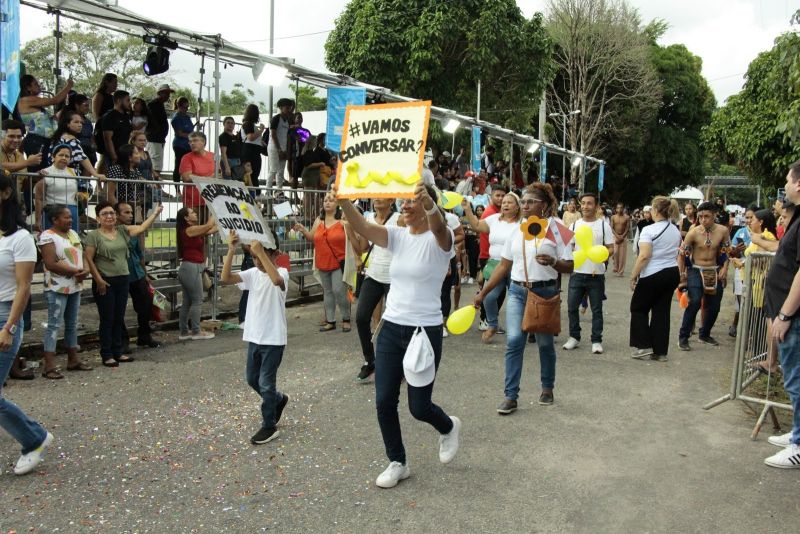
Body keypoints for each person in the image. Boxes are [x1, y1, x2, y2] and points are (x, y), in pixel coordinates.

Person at [337, 181, 461, 489]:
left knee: (419, 407)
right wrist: (343, 200)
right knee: (383, 401)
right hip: (392, 327)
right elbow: (363, 227)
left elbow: (440, 227)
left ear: (427, 206)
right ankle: (397, 461)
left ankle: (448, 427)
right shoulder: (397, 235)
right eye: (403, 201)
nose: (404, 206)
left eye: (411, 201)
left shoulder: (440, 241)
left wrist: (429, 203)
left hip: (424, 331)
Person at [475, 183, 574, 414]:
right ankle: (510, 396)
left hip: (545, 293)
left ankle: (547, 388)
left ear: (545, 205)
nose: (525, 206)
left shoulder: (557, 228)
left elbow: (570, 265)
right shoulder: (517, 229)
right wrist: (483, 292)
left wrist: (554, 263)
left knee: (545, 344)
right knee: (514, 341)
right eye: (523, 201)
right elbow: (504, 265)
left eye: (531, 202)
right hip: (518, 292)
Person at [0, 173, 55, 474]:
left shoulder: (20, 238)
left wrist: (8, 327)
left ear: (5, 193)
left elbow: (23, 287)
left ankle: (34, 438)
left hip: (6, 313)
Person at [221, 230, 290, 444]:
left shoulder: (282, 272)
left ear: (275, 254)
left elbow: (277, 279)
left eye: (261, 255)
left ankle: (269, 425)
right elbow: (225, 278)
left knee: (266, 383)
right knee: (252, 379)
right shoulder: (253, 273)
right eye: (253, 256)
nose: (257, 261)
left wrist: (262, 254)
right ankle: (278, 400)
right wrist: (231, 250)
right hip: (254, 337)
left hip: (273, 339)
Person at [84, 201, 162, 366]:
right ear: (98, 217)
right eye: (105, 214)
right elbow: (89, 258)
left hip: (123, 278)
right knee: (108, 318)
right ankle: (107, 353)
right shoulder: (94, 235)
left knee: (119, 317)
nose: (110, 216)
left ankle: (118, 351)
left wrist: (155, 214)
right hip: (105, 280)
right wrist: (98, 279)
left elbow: (141, 228)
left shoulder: (121, 231)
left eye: (112, 213)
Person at [761, 160, 800, 469]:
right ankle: (797, 433)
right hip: (787, 314)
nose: (784, 185)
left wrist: (785, 315)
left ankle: (799, 444)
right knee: (793, 377)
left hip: (794, 317)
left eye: (788, 179)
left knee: (797, 379)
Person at [39, 204, 93, 379]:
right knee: (54, 324)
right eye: (66, 217)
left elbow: (82, 254)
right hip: (56, 285)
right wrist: (75, 272)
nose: (70, 220)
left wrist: (85, 269)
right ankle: (49, 365)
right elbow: (50, 262)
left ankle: (73, 359)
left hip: (74, 285)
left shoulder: (73, 234)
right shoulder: (47, 236)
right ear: (55, 219)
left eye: (70, 217)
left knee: (71, 323)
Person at [462, 192, 522, 343]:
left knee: (519, 299)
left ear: (518, 207)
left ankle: (524, 328)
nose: (505, 204)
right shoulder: (494, 219)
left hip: (516, 266)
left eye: (510, 202)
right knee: (488, 296)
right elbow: (476, 225)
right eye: (504, 202)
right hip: (496, 265)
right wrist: (467, 209)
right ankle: (492, 325)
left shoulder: (523, 223)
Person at [628, 196, 682, 362]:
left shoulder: (649, 230)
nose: (650, 211)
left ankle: (643, 345)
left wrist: (633, 275)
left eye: (651, 208)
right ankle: (660, 351)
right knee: (661, 312)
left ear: (656, 211)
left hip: (653, 273)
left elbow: (644, 255)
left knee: (638, 308)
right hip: (672, 272)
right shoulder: (675, 229)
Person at [352, 198, 399, 381]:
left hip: (394, 277)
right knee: (361, 317)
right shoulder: (368, 218)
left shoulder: (399, 219)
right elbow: (362, 248)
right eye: (375, 197)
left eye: (382, 196)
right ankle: (369, 360)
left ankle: (396, 363)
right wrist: (349, 230)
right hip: (373, 274)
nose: (377, 199)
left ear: (392, 199)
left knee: (395, 322)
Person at [563, 193, 614, 354]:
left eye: (589, 203)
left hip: (596, 274)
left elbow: (611, 247)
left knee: (597, 309)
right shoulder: (574, 225)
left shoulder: (604, 225)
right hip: (577, 273)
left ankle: (597, 340)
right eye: (583, 203)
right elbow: (568, 247)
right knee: (571, 307)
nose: (585, 206)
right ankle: (574, 336)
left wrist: (602, 254)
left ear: (596, 206)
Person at [677, 201, 731, 350]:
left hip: (714, 269)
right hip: (695, 269)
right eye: (700, 216)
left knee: (714, 306)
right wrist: (682, 275)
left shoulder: (722, 231)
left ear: (714, 215)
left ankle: (705, 334)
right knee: (694, 302)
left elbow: (726, 251)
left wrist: (725, 269)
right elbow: (682, 254)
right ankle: (683, 337)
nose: (703, 220)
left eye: (707, 216)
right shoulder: (693, 232)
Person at [293, 193, 351, 332]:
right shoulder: (319, 220)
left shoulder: (343, 221)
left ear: (337, 204)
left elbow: (352, 239)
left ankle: (346, 318)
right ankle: (330, 321)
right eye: (325, 200)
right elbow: (312, 237)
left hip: (338, 262)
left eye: (331, 200)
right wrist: (302, 230)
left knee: (339, 291)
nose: (327, 202)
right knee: (328, 292)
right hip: (322, 261)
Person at [115, 202, 160, 349]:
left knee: (145, 306)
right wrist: (155, 213)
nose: (130, 215)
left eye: (131, 212)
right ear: (117, 214)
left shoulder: (132, 232)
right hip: (121, 274)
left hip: (137, 273)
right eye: (126, 213)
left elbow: (139, 254)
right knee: (119, 309)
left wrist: (145, 274)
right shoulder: (116, 232)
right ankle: (122, 341)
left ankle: (144, 335)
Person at [175, 207, 217, 341]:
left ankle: (184, 332)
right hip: (191, 268)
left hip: (189, 268)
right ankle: (196, 331)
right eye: (192, 212)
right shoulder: (190, 230)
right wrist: (215, 209)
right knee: (197, 300)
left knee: (187, 302)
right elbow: (209, 225)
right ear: (186, 218)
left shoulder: (192, 230)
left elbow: (211, 229)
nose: (195, 213)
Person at [17, 74, 74, 171]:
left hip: (44, 141)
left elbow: (49, 121)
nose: (38, 85)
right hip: (37, 141)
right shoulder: (26, 100)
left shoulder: (35, 104)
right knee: (38, 172)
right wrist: (68, 86)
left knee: (44, 171)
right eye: (35, 84)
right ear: (28, 87)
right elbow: (54, 100)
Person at [476, 185, 507, 330]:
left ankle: (489, 320)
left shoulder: (499, 212)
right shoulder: (490, 213)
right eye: (498, 195)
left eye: (503, 196)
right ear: (491, 196)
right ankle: (486, 320)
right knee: (490, 291)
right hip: (489, 257)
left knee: (496, 291)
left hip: (496, 258)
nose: (501, 199)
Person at [34, 144, 80, 232]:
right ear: (53, 157)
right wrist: (38, 221)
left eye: (67, 156)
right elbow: (38, 198)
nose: (64, 158)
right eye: (61, 155)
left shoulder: (74, 172)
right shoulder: (45, 172)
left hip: (72, 212)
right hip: (53, 213)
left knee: (72, 241)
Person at [1, 119, 42, 202]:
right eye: (11, 136)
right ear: (2, 136)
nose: (16, 140)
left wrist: (37, 176)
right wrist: (28, 162)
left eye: (19, 137)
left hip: (14, 205)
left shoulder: (19, 156)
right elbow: (1, 167)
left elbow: (24, 182)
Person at [179, 131, 214, 223]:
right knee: (194, 230)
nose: (192, 143)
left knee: (206, 230)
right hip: (192, 200)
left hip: (210, 200)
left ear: (203, 142)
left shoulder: (213, 156)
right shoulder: (186, 158)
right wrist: (209, 178)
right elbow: (187, 177)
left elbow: (220, 174)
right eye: (190, 141)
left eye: (195, 140)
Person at [99, 90, 133, 172]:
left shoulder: (126, 116)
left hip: (125, 155)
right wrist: (114, 156)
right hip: (114, 155)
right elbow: (107, 138)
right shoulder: (109, 116)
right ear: (118, 101)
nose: (130, 103)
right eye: (127, 100)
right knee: (112, 180)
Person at [106, 144, 145, 214]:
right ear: (129, 157)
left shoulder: (136, 170)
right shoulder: (116, 169)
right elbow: (110, 194)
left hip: (133, 207)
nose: (139, 156)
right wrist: (119, 209)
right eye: (136, 153)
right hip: (120, 207)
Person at [267, 98, 295, 192]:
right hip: (274, 148)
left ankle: (279, 191)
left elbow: (286, 137)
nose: (289, 110)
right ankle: (268, 191)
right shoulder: (276, 119)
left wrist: (285, 150)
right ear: (281, 108)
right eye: (287, 108)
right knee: (273, 170)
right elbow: (273, 134)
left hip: (283, 149)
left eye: (290, 108)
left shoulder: (287, 121)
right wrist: (279, 149)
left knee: (281, 171)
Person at [145, 84, 174, 175]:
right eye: (166, 93)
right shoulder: (153, 104)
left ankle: (155, 186)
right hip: (154, 138)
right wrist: (155, 130)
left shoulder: (159, 105)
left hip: (159, 138)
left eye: (168, 94)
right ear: (160, 93)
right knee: (155, 164)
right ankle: (154, 186)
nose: (168, 96)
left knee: (157, 163)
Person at [240, 104, 265, 190]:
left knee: (254, 174)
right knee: (251, 174)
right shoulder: (248, 124)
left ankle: (254, 191)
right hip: (250, 151)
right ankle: (253, 192)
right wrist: (261, 130)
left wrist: (261, 142)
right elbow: (250, 137)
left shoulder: (251, 125)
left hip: (254, 151)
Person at [171, 96, 193, 183]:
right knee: (179, 166)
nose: (186, 109)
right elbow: (179, 133)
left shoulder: (187, 117)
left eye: (187, 107)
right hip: (180, 145)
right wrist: (191, 136)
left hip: (188, 145)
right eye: (185, 107)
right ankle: (177, 189)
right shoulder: (176, 118)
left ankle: (186, 186)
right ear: (179, 106)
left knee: (187, 167)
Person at [219, 116, 242, 180]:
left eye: (232, 123)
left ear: (234, 125)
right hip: (228, 161)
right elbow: (223, 152)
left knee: (236, 184)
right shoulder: (223, 136)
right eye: (228, 123)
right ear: (224, 124)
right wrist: (227, 167)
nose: (230, 125)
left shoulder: (235, 137)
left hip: (237, 162)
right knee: (229, 184)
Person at [611, 202, 630, 276]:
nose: (619, 209)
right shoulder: (613, 217)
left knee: (622, 255)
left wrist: (622, 236)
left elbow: (627, 228)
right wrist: (617, 236)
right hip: (615, 236)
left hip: (623, 237)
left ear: (623, 208)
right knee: (615, 252)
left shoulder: (627, 217)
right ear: (616, 209)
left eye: (621, 207)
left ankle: (620, 271)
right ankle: (616, 266)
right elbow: (612, 227)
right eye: (618, 208)